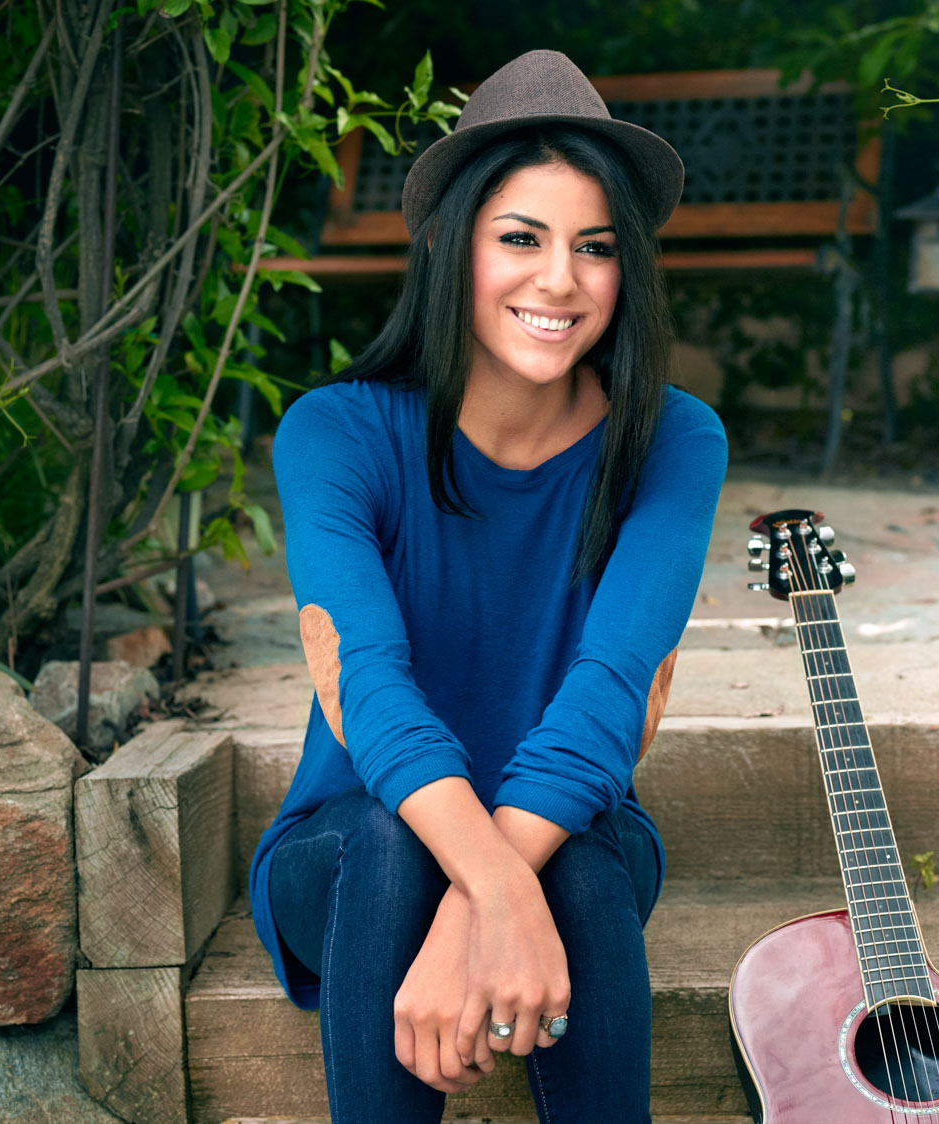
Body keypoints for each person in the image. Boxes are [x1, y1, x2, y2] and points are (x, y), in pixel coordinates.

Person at [247, 49, 728, 1124]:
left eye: (595, 249)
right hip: (347, 855)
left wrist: (489, 901)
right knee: (388, 838)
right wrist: (491, 886)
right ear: (446, 244)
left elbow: (613, 690)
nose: (559, 281)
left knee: (585, 859)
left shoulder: (673, 441)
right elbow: (365, 684)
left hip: (575, 850)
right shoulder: (336, 431)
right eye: (521, 237)